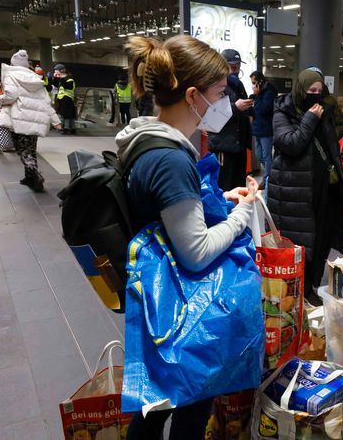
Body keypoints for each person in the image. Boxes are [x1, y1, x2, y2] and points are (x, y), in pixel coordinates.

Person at [118, 35, 259, 440]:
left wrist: (216, 198)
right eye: (219, 94)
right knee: (185, 405)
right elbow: (196, 253)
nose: (224, 104)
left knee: (157, 403)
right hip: (181, 311)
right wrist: (242, 214)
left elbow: (172, 212)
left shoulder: (147, 140)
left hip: (158, 296)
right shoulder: (170, 159)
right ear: (194, 96)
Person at [268, 69, 343, 306]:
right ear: (300, 89)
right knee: (300, 242)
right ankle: (297, 290)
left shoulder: (325, 110)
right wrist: (310, 119)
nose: (315, 95)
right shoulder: (283, 111)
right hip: (294, 191)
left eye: (319, 91)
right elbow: (290, 144)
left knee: (322, 237)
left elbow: (334, 141)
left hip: (324, 186)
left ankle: (311, 286)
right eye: (310, 90)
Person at [0, 50, 61, 192]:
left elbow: (11, 96)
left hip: (19, 119)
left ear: (13, 63)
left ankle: (34, 174)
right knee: (31, 149)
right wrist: (55, 119)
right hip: (35, 121)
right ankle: (29, 178)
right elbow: (46, 101)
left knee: (23, 151)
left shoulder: (10, 75)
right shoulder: (36, 79)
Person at [207, 49, 253, 192]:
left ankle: (237, 213)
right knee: (224, 187)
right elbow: (210, 115)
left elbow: (244, 111)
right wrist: (235, 108)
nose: (236, 71)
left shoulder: (239, 85)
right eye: (233, 67)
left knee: (239, 186)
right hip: (223, 147)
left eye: (238, 67)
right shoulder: (215, 85)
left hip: (239, 146)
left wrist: (250, 107)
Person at [250, 70, 277, 185]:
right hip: (258, 129)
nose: (253, 85)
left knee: (266, 157)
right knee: (259, 155)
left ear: (260, 82)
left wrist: (257, 96)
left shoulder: (269, 92)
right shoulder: (260, 94)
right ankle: (272, 173)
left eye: (254, 82)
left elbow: (263, 110)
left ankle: (267, 180)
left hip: (266, 130)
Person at [51, 63, 78, 135]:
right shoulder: (62, 78)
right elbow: (55, 85)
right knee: (67, 114)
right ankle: (72, 129)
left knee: (67, 114)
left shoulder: (69, 79)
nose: (56, 72)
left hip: (68, 98)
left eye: (57, 71)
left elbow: (67, 86)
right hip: (62, 99)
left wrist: (62, 78)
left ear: (61, 71)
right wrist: (56, 77)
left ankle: (66, 129)